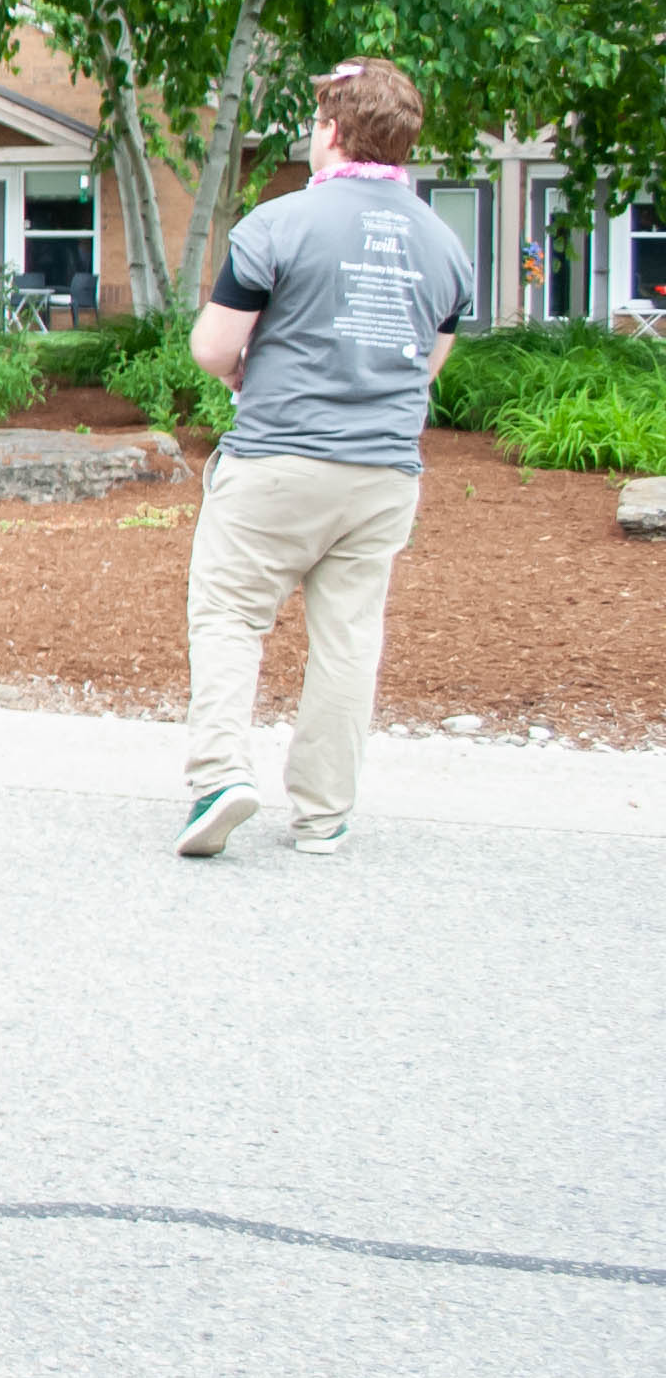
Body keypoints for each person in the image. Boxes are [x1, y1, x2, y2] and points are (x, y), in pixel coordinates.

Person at [176, 57, 475, 859]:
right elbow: (427, 361)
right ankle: (323, 815)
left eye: (316, 124)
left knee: (232, 614)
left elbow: (211, 347)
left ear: (334, 133)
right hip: (382, 476)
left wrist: (247, 362)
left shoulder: (277, 225)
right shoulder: (446, 246)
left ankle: (220, 775)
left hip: (277, 460)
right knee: (348, 639)